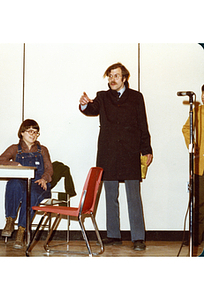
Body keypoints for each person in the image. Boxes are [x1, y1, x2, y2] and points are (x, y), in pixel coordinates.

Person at [79, 62, 153, 251]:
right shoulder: (103, 97)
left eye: (116, 76)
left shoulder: (136, 97)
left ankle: (138, 238)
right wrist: (84, 105)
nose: (112, 79)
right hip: (108, 152)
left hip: (130, 151)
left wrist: (147, 149)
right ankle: (113, 235)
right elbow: (92, 109)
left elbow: (143, 123)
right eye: (110, 76)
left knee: (133, 196)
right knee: (110, 195)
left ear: (124, 78)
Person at [0, 119, 53, 249]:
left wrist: (44, 178)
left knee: (32, 194)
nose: (33, 135)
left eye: (36, 132)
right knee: (13, 184)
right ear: (22, 132)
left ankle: (21, 232)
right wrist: (16, 164)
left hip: (38, 183)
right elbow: (0, 160)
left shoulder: (42, 150)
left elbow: (49, 168)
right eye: (30, 131)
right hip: (21, 182)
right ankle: (10, 222)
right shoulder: (14, 148)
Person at [182, 85, 204, 246]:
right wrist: (193, 145)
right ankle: (196, 239)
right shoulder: (197, 112)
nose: (203, 96)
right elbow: (185, 129)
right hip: (200, 166)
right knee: (199, 204)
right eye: (203, 93)